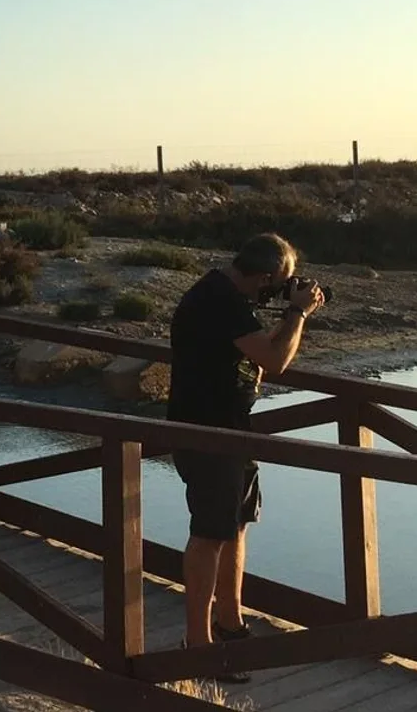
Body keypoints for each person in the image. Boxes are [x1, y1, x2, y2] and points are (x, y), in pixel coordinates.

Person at [167, 233, 324, 682]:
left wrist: (289, 313)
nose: (276, 293)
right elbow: (275, 360)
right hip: (206, 432)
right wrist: (297, 312)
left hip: (230, 428)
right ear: (266, 276)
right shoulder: (220, 301)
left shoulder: (226, 296)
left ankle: (229, 624)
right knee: (210, 533)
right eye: (280, 284)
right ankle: (198, 644)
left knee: (235, 523)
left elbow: (256, 354)